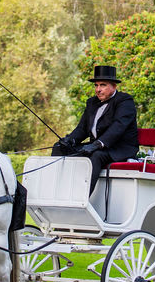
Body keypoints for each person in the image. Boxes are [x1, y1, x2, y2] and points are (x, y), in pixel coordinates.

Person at [53, 65, 139, 193]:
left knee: (96, 155)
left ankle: (82, 196)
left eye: (102, 85)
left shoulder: (125, 101)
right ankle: (56, 190)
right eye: (96, 85)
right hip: (95, 146)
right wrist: (70, 140)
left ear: (114, 86)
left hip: (118, 148)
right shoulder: (92, 102)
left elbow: (118, 127)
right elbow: (82, 128)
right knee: (59, 147)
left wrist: (97, 144)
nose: (98, 89)